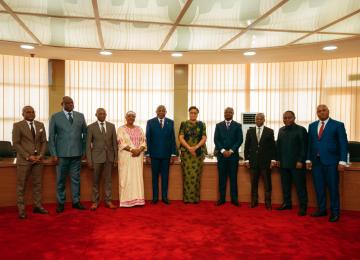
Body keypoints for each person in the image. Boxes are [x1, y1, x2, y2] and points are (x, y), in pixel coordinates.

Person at [306, 104, 348, 222]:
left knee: (333, 188)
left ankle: (335, 212)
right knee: (319, 187)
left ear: (328, 111)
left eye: (324, 110)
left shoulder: (338, 125)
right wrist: (308, 159)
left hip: (331, 162)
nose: (321, 112)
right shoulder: (312, 126)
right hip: (316, 162)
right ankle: (321, 209)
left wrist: (342, 161)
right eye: (319, 111)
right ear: (317, 113)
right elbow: (310, 144)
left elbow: (343, 144)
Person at [49, 96, 87, 213]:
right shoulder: (55, 117)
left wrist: (84, 151)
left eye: (72, 103)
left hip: (77, 154)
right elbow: (51, 137)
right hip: (61, 155)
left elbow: (85, 135)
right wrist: (54, 154)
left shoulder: (80, 116)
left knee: (76, 179)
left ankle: (76, 202)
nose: (71, 105)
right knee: (61, 180)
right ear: (63, 104)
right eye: (68, 103)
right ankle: (61, 203)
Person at [12, 106, 49, 219]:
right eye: (28, 112)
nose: (31, 113)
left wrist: (41, 155)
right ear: (23, 114)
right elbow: (16, 143)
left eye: (33, 112)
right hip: (24, 160)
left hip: (38, 160)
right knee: (21, 186)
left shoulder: (40, 125)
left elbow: (44, 142)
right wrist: (28, 156)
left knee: (38, 184)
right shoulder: (18, 126)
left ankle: (37, 206)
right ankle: (21, 210)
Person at [276, 111, 308, 216]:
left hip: (296, 164)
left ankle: (303, 206)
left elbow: (304, 147)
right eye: (285, 118)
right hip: (284, 164)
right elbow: (278, 147)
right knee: (285, 186)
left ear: (294, 118)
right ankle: (287, 203)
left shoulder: (301, 130)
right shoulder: (281, 130)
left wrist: (300, 160)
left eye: (289, 118)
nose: (287, 120)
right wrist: (278, 159)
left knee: (300, 186)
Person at [86, 108, 118, 210]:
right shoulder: (91, 127)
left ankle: (108, 201)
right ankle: (95, 202)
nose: (102, 115)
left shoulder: (111, 126)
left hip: (109, 158)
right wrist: (89, 160)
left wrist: (116, 158)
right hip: (96, 158)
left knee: (108, 181)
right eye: (100, 113)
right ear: (96, 115)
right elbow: (87, 145)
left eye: (104, 113)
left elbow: (114, 144)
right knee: (96, 181)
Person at [146, 105, 177, 205]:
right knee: (154, 177)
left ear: (166, 112)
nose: (161, 112)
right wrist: (147, 154)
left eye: (163, 110)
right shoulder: (150, 122)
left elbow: (172, 139)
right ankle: (155, 198)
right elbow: (148, 138)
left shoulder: (170, 122)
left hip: (166, 155)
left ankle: (164, 197)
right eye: (159, 110)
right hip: (154, 155)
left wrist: (173, 154)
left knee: (165, 177)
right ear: (156, 112)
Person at [244, 113, 276, 210]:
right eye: (257, 119)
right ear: (255, 120)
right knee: (254, 183)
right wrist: (246, 159)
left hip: (265, 163)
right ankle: (254, 201)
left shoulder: (269, 131)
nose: (258, 120)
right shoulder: (250, 131)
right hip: (253, 162)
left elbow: (272, 147)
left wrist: (273, 159)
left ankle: (268, 202)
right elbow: (247, 146)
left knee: (267, 184)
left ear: (264, 120)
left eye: (260, 119)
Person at [214, 107, 243, 206]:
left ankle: (234, 199)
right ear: (224, 113)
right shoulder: (218, 125)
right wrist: (222, 150)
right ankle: (221, 199)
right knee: (222, 178)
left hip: (233, 156)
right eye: (226, 112)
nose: (228, 113)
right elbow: (216, 140)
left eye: (230, 112)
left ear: (233, 114)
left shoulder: (238, 126)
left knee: (233, 178)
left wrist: (230, 151)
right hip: (222, 157)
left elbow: (239, 140)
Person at [117, 111, 147, 207]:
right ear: (125, 117)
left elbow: (144, 141)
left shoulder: (139, 128)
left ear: (135, 118)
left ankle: (138, 200)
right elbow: (120, 142)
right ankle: (126, 201)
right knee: (126, 178)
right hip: (126, 157)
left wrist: (139, 150)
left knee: (137, 178)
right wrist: (132, 150)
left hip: (138, 157)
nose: (131, 118)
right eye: (129, 116)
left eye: (133, 116)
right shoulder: (121, 129)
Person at [179, 106, 207, 204]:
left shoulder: (201, 124)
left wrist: (195, 147)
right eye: (191, 113)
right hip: (186, 154)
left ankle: (195, 198)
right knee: (187, 175)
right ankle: (187, 199)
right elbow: (181, 138)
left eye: (195, 113)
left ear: (197, 114)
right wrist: (189, 148)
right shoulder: (184, 124)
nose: (193, 114)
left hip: (197, 154)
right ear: (189, 113)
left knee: (196, 176)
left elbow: (204, 138)